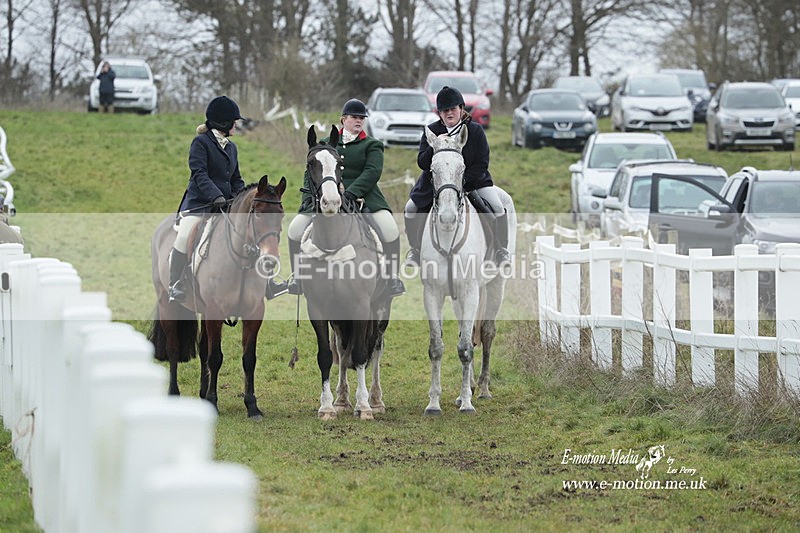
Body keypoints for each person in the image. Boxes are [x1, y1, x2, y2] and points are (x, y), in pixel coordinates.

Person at [270, 98, 405, 299]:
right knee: (295, 229)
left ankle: (392, 277)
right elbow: (311, 172)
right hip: (323, 198)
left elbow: (372, 172)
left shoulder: (372, 144)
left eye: (361, 118)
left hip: (364, 198)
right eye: (354, 117)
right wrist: (310, 197)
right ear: (343, 119)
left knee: (390, 229)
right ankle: (298, 276)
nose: (358, 121)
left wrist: (350, 193)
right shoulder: (326, 143)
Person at [403, 86, 511, 268]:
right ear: (439, 113)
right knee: (410, 208)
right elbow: (422, 163)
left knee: (497, 207)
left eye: (453, 109)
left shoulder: (475, 130)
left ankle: (501, 251)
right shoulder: (432, 130)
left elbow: (482, 162)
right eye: (445, 110)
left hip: (473, 181)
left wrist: (460, 182)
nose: (449, 113)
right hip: (436, 184)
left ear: (461, 109)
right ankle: (415, 250)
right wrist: (435, 145)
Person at [167, 95, 246, 303]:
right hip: (200, 204)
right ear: (224, 122)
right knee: (184, 236)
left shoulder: (231, 147)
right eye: (234, 122)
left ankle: (260, 282)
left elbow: (236, 178)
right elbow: (199, 174)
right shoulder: (201, 143)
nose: (236, 126)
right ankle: (175, 283)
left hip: (225, 206)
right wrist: (216, 196)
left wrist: (241, 198)